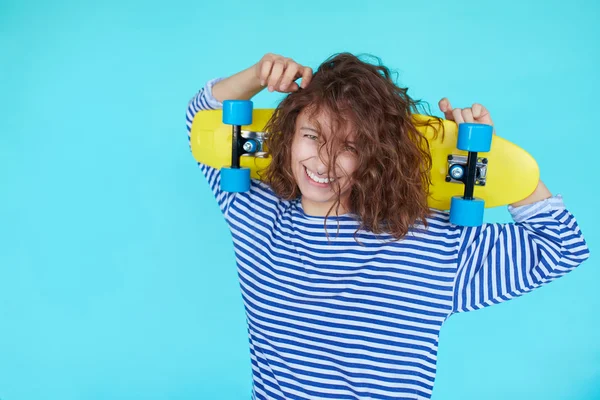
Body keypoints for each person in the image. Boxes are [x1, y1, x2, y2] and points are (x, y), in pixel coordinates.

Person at [185, 52, 590, 400]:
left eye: (349, 146)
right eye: (312, 135)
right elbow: (199, 121)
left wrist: (495, 161)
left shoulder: (432, 239)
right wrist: (259, 75)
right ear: (288, 136)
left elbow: (561, 245)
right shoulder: (256, 214)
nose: (323, 162)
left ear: (375, 155)